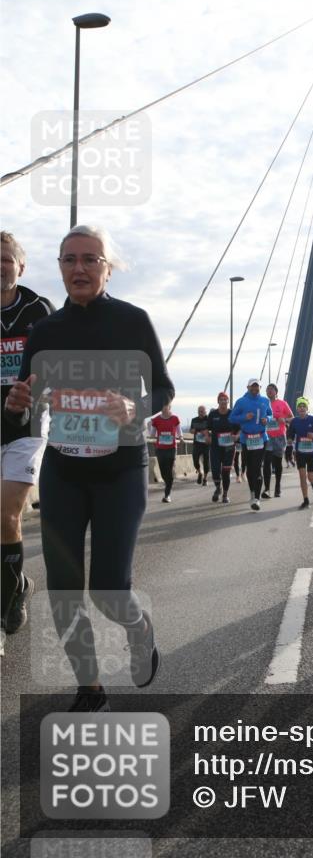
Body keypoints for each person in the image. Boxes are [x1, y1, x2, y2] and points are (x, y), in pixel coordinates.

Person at [4, 225, 174, 710]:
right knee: (62, 588)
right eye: (69, 260)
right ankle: (90, 685)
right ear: (59, 267)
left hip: (120, 469)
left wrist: (135, 408)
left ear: (106, 267)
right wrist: (17, 403)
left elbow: (163, 389)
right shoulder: (44, 331)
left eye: (90, 259)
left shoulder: (133, 321)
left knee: (108, 590)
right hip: (64, 471)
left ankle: (138, 629)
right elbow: (24, 407)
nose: (79, 268)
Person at [1, 231, 54, 654]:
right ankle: (18, 584)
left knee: (6, 513)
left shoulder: (40, 311)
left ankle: (2, 617)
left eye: (5, 259)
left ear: (21, 266)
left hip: (26, 427)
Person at [229, 378, 272, 511]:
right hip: (246, 439)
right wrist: (244, 417)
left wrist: (267, 419)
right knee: (249, 468)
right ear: (248, 387)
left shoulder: (265, 400)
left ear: (260, 387)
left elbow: (270, 414)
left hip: (261, 438)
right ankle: (252, 492)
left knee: (257, 467)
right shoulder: (241, 401)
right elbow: (231, 418)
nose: (255, 388)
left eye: (257, 386)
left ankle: (257, 499)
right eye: (252, 386)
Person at [287, 398, 313, 509]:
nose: (302, 408)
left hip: (311, 453)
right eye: (300, 406)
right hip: (300, 453)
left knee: (310, 477)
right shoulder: (294, 421)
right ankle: (305, 500)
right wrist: (289, 440)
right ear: (297, 409)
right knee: (302, 476)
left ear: (307, 409)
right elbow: (290, 434)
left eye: (304, 406)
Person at [207, 391, 239, 504]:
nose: (223, 402)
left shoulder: (233, 414)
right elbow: (207, 428)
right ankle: (218, 488)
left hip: (229, 447)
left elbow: (240, 428)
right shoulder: (213, 414)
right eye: (221, 400)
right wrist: (207, 437)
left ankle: (225, 494)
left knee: (226, 471)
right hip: (215, 446)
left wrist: (237, 436)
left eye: (225, 400)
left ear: (228, 401)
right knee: (215, 470)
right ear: (218, 401)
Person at [262, 384, 292, 498]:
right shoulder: (263, 404)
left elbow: (291, 418)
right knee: (267, 462)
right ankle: (266, 489)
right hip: (267, 437)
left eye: (271, 389)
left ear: (276, 391)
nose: (269, 391)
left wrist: (283, 419)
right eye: (267, 389)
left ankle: (278, 487)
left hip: (279, 436)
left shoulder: (282, 403)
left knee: (278, 462)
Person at [150, 402, 182, 503]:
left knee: (169, 469)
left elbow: (179, 431)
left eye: (166, 406)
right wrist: (150, 432)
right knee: (163, 471)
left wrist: (180, 437)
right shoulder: (156, 420)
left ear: (169, 407)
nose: (164, 408)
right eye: (162, 406)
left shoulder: (175, 418)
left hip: (172, 448)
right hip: (160, 448)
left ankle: (167, 494)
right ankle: (167, 483)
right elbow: (152, 434)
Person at [189, 405, 210, 485]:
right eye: (200, 411)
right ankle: (200, 472)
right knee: (195, 460)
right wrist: (194, 431)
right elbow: (190, 430)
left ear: (205, 412)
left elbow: (212, 430)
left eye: (202, 411)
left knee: (206, 462)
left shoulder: (208, 420)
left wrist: (207, 433)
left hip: (206, 444)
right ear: (198, 412)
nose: (201, 413)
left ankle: (205, 479)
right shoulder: (194, 420)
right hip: (197, 444)